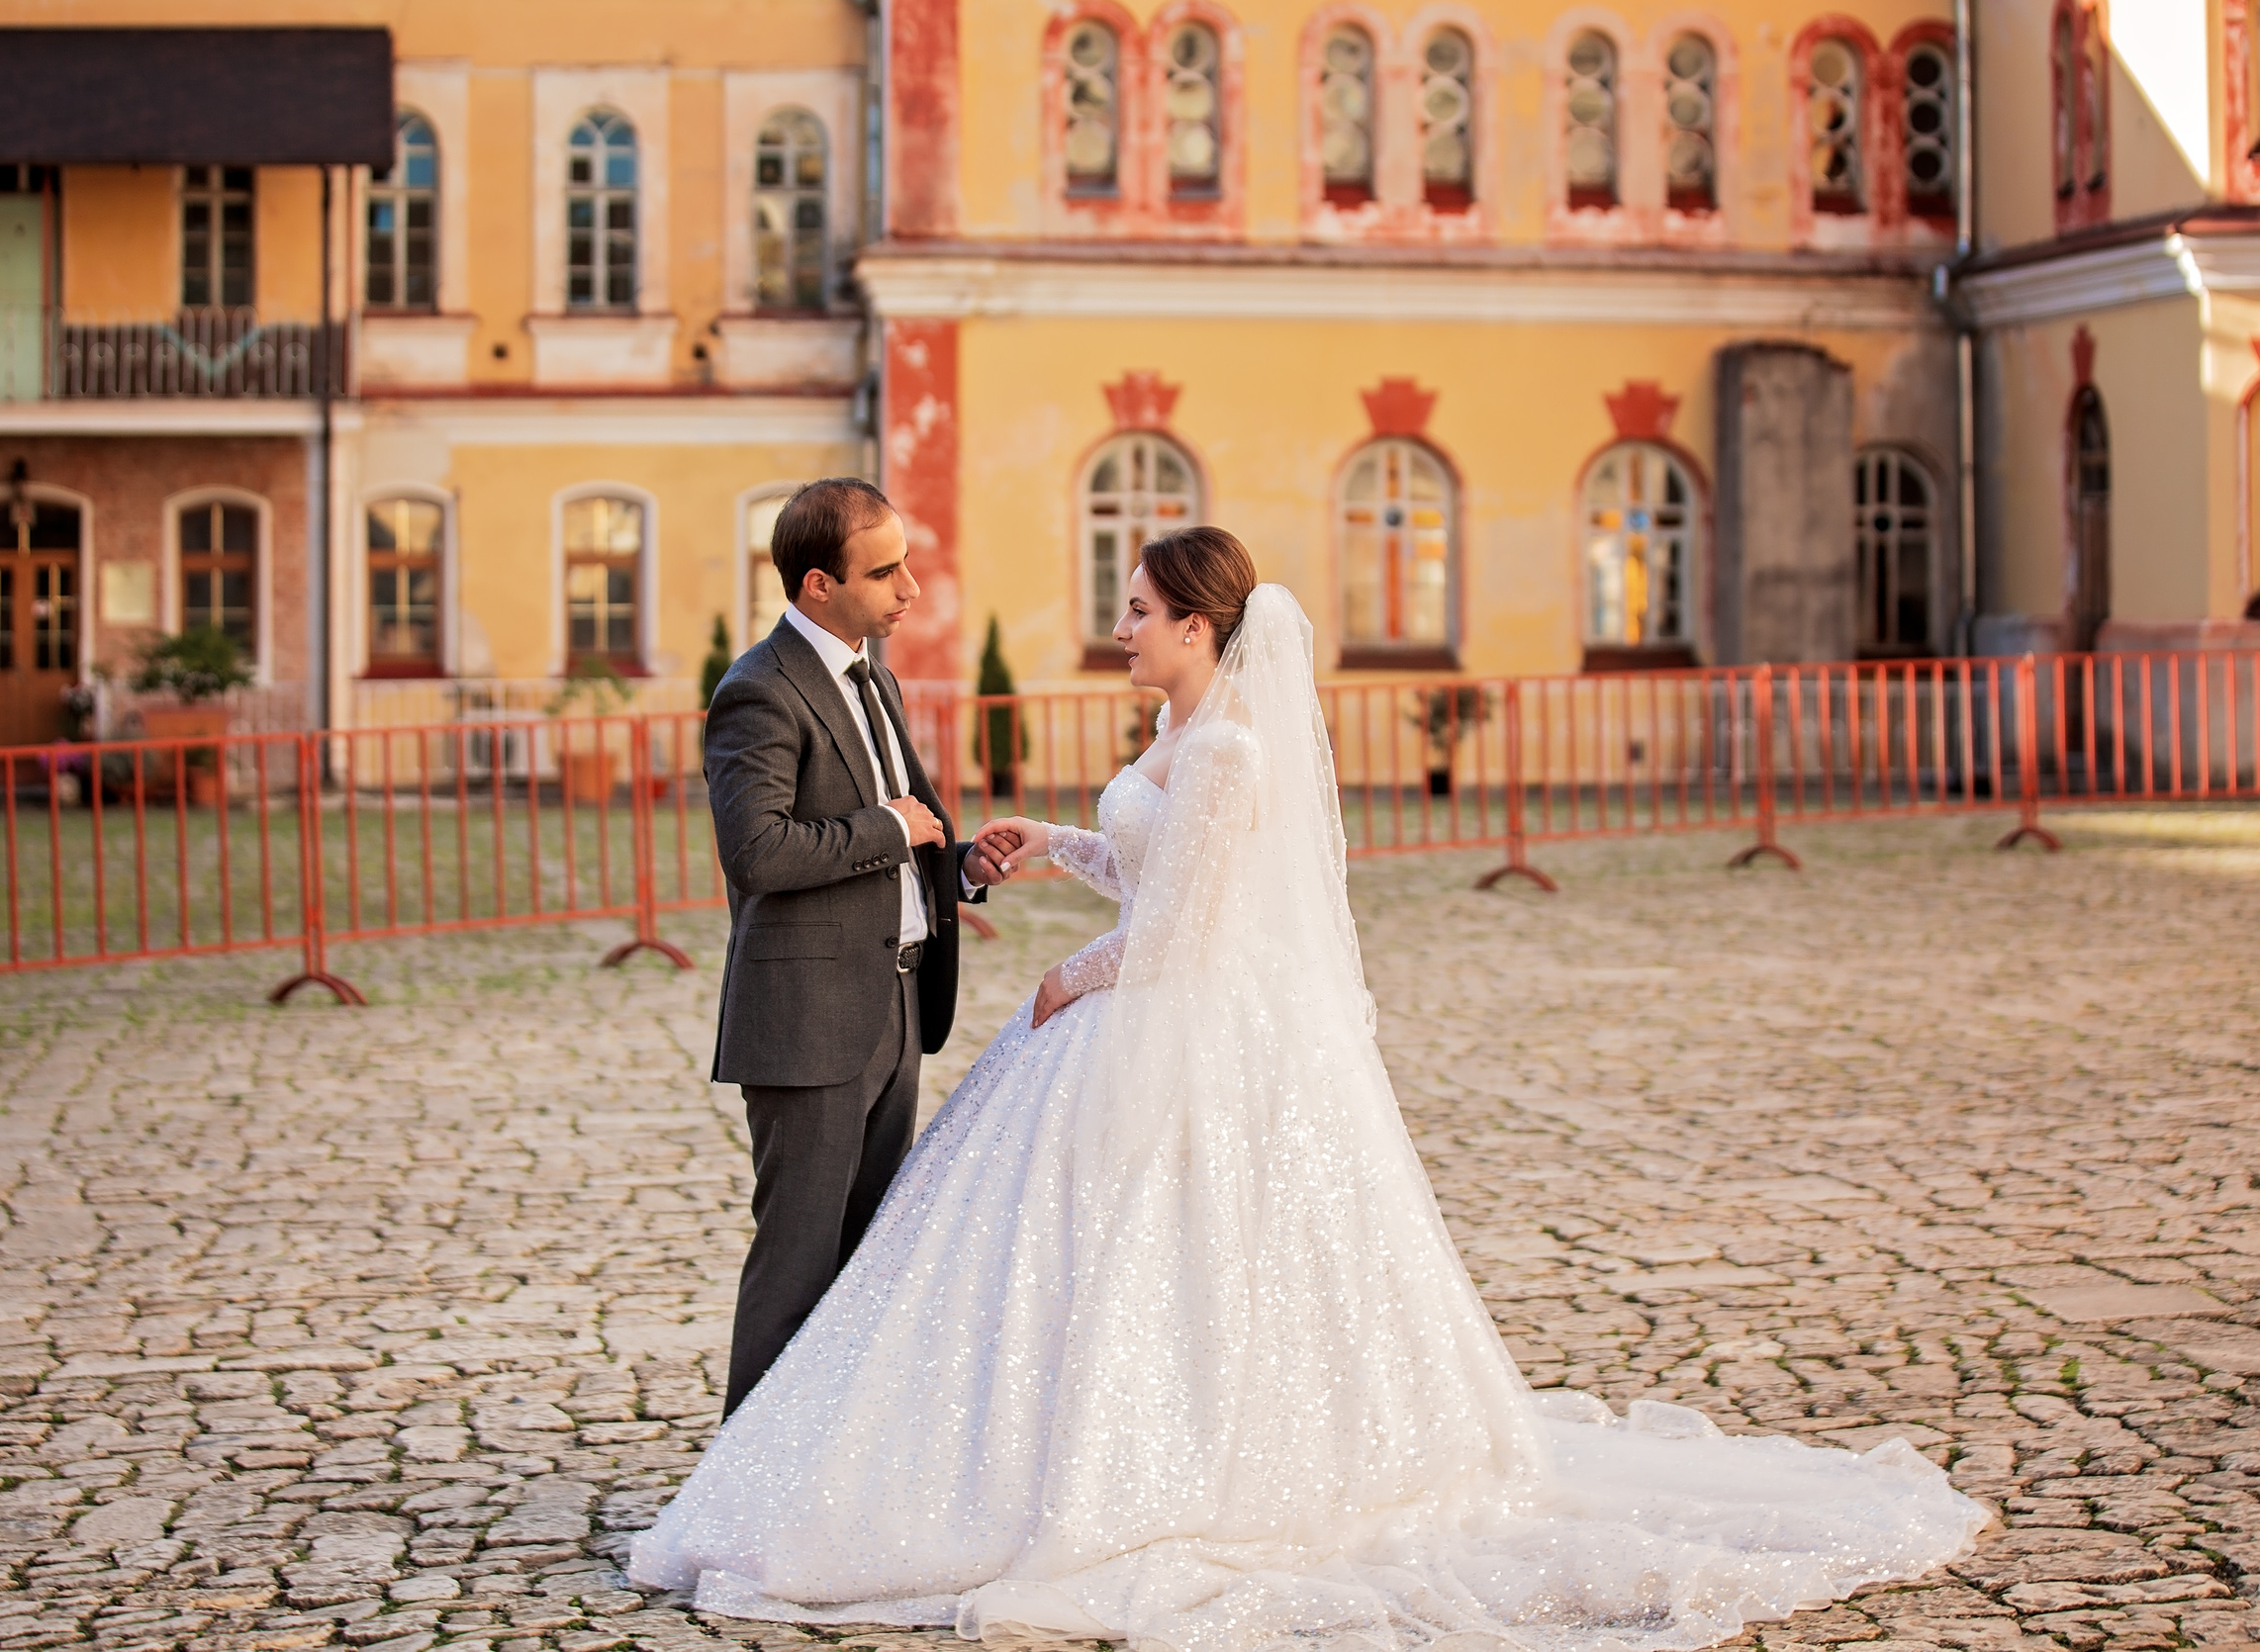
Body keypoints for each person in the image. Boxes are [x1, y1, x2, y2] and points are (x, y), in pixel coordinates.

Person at [644, 525, 1987, 1652]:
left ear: (1198, 626)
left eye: (1138, 611)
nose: (1121, 628)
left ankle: (1161, 1472)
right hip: (1143, 1015)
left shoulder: (1230, 753)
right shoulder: (1182, 738)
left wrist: (1078, 977)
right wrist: (1057, 842)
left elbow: (1197, 925)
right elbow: (1157, 873)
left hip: (1182, 1029)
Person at [701, 478, 1019, 1420]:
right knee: (797, 1261)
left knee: (869, 1261)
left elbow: (901, 832)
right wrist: (890, 828)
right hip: (807, 1023)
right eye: (884, 572)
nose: (909, 588)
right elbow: (757, 853)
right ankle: (739, 1491)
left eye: (906, 562)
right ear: (815, 585)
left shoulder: (872, 673)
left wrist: (959, 866)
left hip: (896, 1005)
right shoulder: (758, 690)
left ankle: (822, 1471)